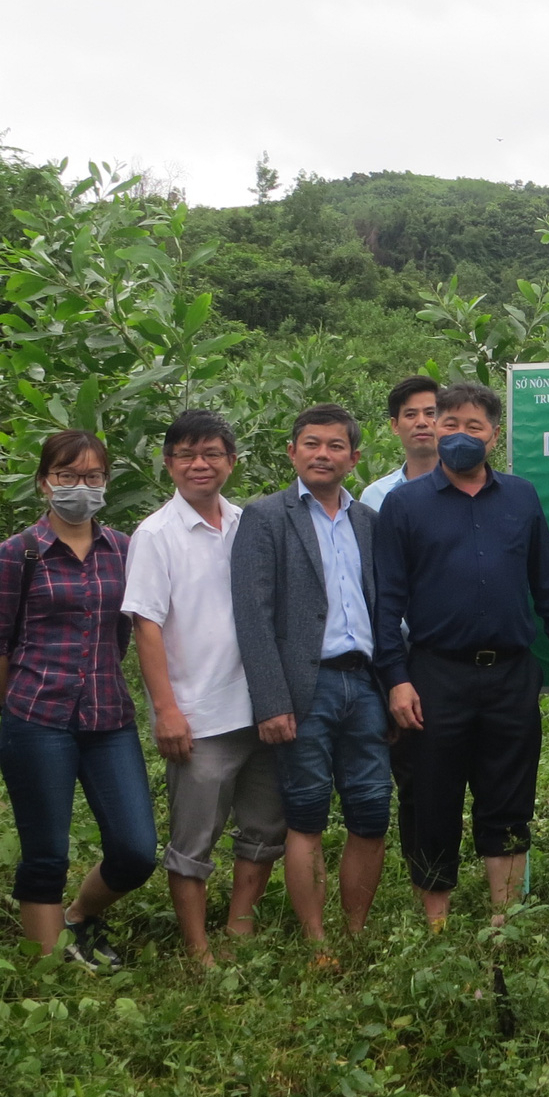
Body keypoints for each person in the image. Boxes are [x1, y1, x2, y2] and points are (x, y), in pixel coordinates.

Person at [373, 380, 549, 929]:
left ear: (494, 436)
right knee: (432, 800)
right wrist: (396, 678)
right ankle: (437, 926)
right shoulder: (403, 506)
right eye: (450, 424)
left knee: (509, 796)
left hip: (511, 675)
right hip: (434, 676)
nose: (460, 434)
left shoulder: (520, 497)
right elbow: (386, 601)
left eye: (474, 426)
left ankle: (505, 920)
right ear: (435, 430)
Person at [0, 430, 155, 969]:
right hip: (36, 718)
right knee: (46, 850)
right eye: (67, 476)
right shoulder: (16, 555)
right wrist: (21, 706)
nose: (81, 487)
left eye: (93, 477)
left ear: (106, 482)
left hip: (108, 716)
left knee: (136, 848)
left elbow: (130, 630)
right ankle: (48, 966)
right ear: (44, 483)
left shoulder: (124, 549)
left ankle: (77, 917)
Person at [122, 410, 287, 965]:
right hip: (199, 715)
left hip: (260, 707)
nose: (200, 464)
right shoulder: (155, 535)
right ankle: (198, 950)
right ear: (168, 463)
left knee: (264, 828)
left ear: (232, 462)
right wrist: (166, 710)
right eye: (187, 454)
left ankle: (239, 930)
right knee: (193, 841)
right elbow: (146, 625)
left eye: (213, 453)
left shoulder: (250, 523)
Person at [232, 404, 389, 947]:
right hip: (305, 688)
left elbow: (384, 608)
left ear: (355, 457)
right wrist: (272, 701)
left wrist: (393, 685)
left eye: (336, 446)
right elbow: (252, 617)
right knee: (307, 814)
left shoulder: (368, 522)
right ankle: (317, 939)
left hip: (364, 682)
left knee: (371, 810)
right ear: (292, 451)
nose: (323, 454)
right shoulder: (267, 516)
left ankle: (355, 932)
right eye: (312, 443)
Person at [360, 376, 443, 511]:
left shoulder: (467, 488)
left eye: (430, 413)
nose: (421, 422)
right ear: (395, 426)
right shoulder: (374, 496)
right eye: (410, 415)